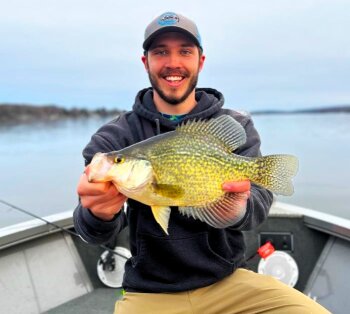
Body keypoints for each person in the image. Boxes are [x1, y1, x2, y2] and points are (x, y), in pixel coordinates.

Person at [74, 12, 330, 314]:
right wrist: (99, 213)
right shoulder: (115, 139)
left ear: (201, 61)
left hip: (229, 282)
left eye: (185, 51)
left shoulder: (234, 124)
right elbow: (93, 233)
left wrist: (238, 210)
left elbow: (259, 200)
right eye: (160, 52)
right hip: (150, 292)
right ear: (146, 63)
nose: (173, 62)